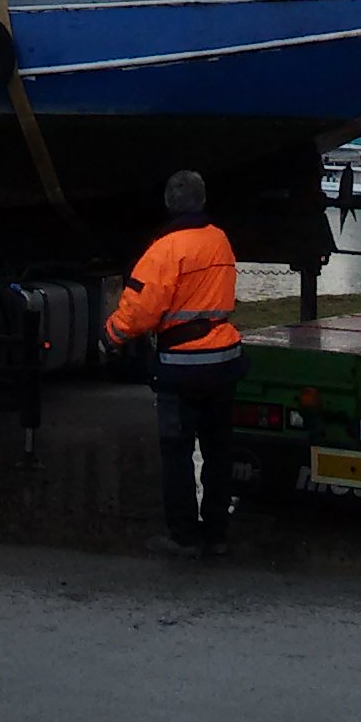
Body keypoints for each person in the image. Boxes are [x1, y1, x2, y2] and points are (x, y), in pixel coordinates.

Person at [103, 166, 240, 553]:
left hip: (183, 366)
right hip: (224, 359)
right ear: (203, 200)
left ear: (168, 203)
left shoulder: (164, 249)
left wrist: (110, 335)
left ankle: (183, 536)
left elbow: (140, 311)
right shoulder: (220, 240)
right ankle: (216, 534)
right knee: (217, 451)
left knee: (177, 451)